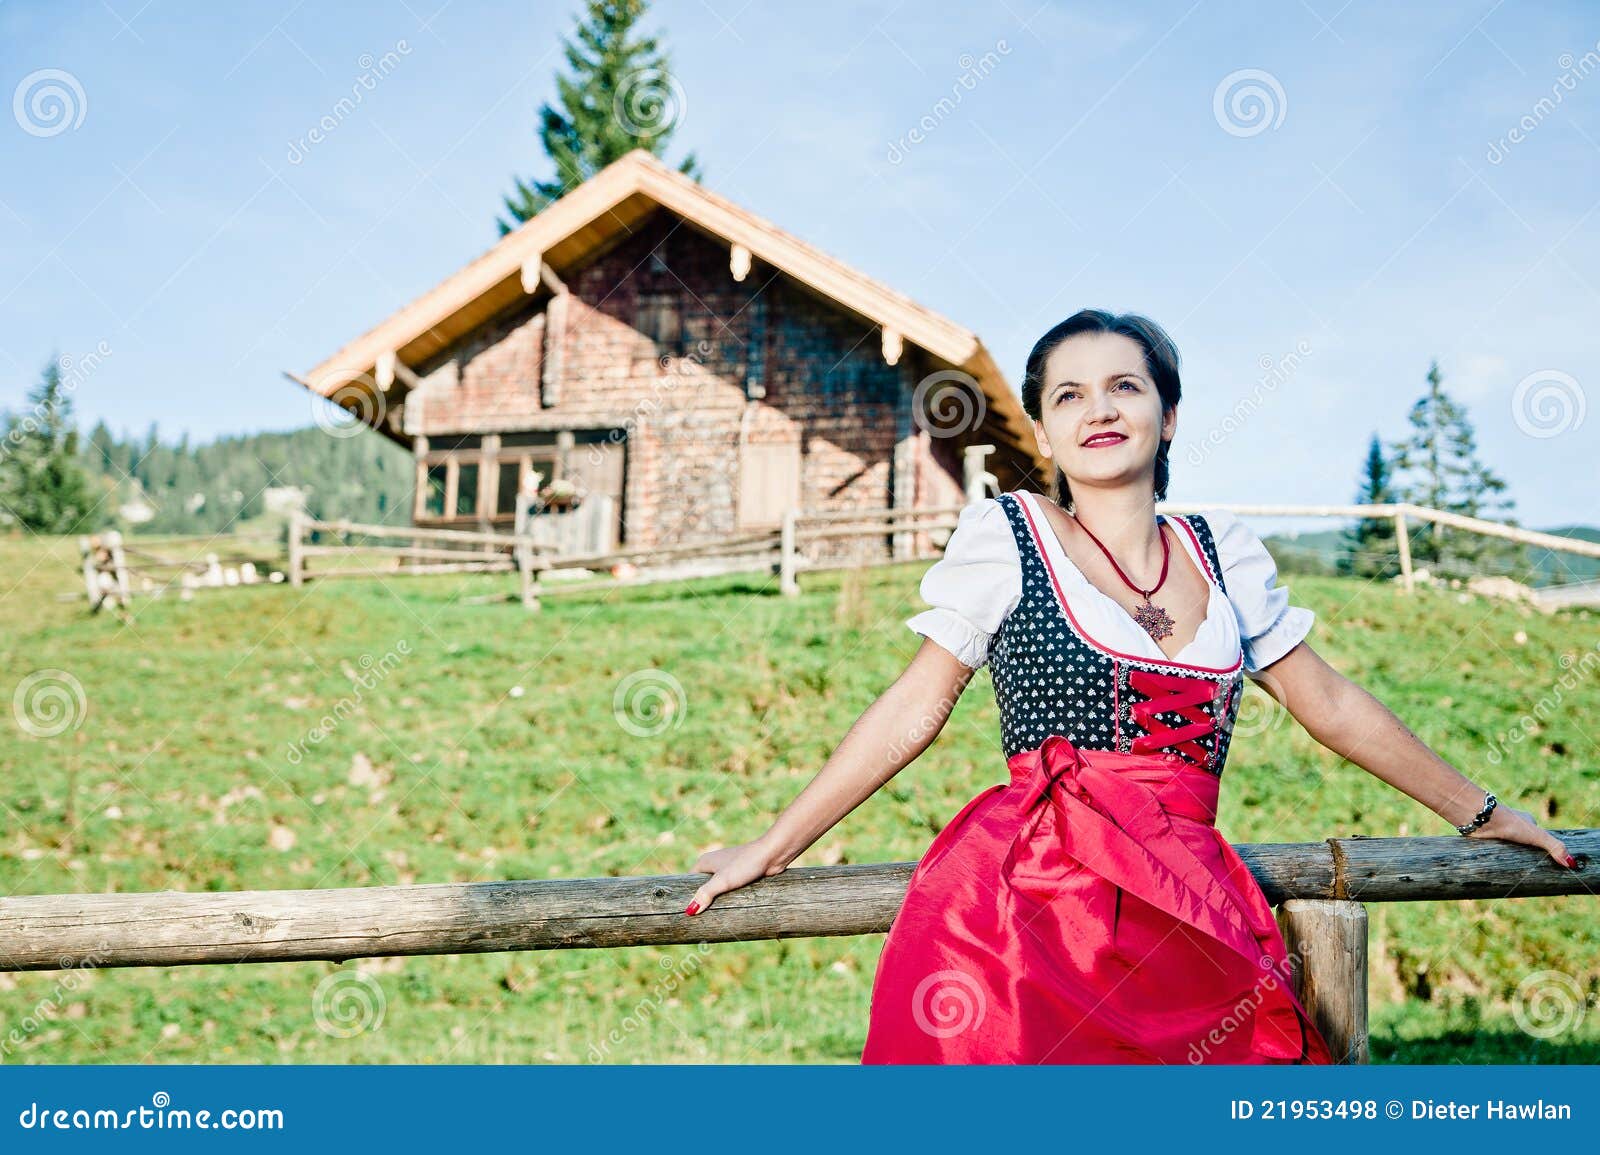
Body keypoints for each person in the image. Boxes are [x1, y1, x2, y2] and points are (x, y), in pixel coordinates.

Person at [683, 308, 1578, 1064]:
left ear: (1170, 415)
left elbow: (1333, 706)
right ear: (1039, 431)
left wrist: (1483, 810)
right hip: (1031, 907)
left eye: (1125, 385)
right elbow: (916, 706)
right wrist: (774, 843)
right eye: (1067, 395)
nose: (1097, 409)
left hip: (1188, 902)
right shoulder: (1010, 535)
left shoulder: (1222, 554)